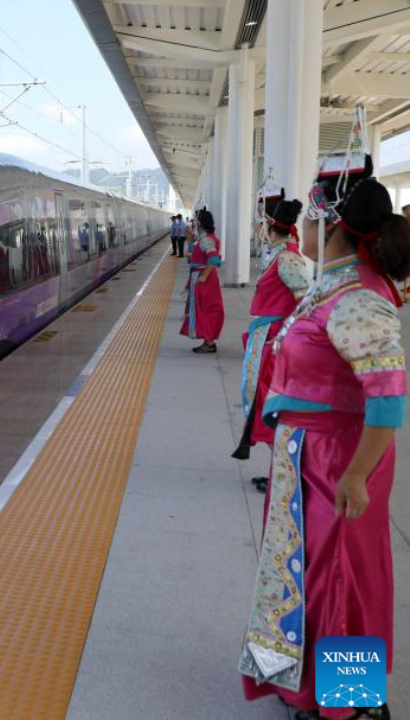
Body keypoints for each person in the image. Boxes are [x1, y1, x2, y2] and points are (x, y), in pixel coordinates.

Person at [240, 169, 409, 720]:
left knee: (343, 577)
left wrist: (357, 473)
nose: (299, 230)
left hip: (337, 458)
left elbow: (387, 399)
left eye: (309, 218)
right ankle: (313, 688)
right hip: (310, 457)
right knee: (311, 573)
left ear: (328, 222)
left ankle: (354, 702)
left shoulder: (358, 296)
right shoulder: (335, 283)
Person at [232, 192, 312, 495]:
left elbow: (303, 302)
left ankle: (288, 475)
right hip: (268, 338)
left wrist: (285, 338)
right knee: (265, 405)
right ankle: (282, 472)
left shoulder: (288, 258)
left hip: (274, 342)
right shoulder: (282, 254)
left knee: (269, 406)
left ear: (269, 226)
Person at [179, 208, 225, 352]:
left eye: (195, 222)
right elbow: (196, 252)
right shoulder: (205, 238)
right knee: (204, 309)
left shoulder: (206, 240)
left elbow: (213, 258)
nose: (194, 225)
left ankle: (209, 343)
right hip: (202, 278)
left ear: (200, 223)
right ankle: (208, 341)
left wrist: (204, 275)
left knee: (206, 309)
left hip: (204, 280)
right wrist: (189, 238)